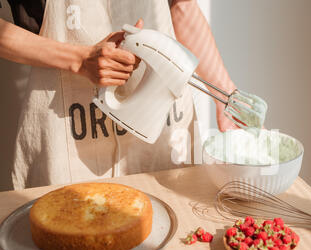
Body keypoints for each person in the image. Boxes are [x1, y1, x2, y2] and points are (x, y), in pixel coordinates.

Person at [0, 0, 238, 190]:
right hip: (67, 128)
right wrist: (80, 60)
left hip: (161, 127)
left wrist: (227, 98)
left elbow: (182, 6)